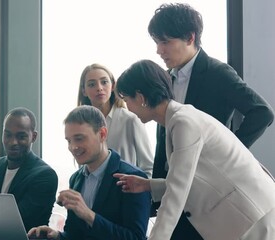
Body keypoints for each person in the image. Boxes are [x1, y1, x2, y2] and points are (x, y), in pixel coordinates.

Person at [147, 3, 274, 239]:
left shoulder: (217, 72)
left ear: (190, 37)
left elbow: (262, 112)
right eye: (156, 42)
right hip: (176, 190)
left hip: (209, 196)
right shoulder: (165, 80)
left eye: (165, 42)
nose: (158, 50)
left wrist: (230, 151)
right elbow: (163, 138)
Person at [114, 59, 275, 240]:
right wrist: (148, 185)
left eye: (126, 100)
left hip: (254, 219)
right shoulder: (177, 119)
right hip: (244, 220)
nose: (127, 108)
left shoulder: (184, 122)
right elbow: (189, 181)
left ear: (141, 97)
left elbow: (177, 191)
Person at [28, 105, 151, 240]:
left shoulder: (133, 178)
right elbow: (76, 235)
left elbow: (136, 237)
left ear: (102, 134)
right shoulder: (76, 178)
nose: (73, 147)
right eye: (69, 141)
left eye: (79, 138)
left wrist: (88, 215)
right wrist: (56, 236)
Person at [77, 63, 154, 178]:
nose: (99, 88)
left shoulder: (130, 119)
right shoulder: (80, 125)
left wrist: (138, 193)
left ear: (113, 86)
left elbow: (148, 167)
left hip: (125, 191)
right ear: (84, 91)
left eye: (104, 82)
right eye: (92, 84)